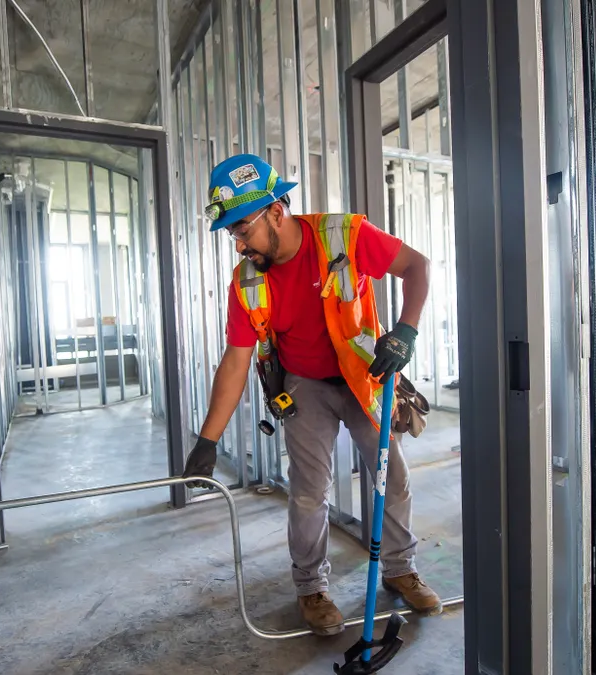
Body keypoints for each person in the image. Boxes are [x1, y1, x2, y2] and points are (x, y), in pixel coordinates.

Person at [181, 153, 441, 636]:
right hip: (303, 384)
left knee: (393, 477)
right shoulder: (248, 281)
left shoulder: (343, 235)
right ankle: (312, 588)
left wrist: (406, 330)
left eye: (242, 229)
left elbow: (417, 267)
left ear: (276, 212)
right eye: (233, 233)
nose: (238, 245)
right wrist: (207, 441)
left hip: (364, 376)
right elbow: (236, 361)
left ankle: (401, 569)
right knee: (307, 493)